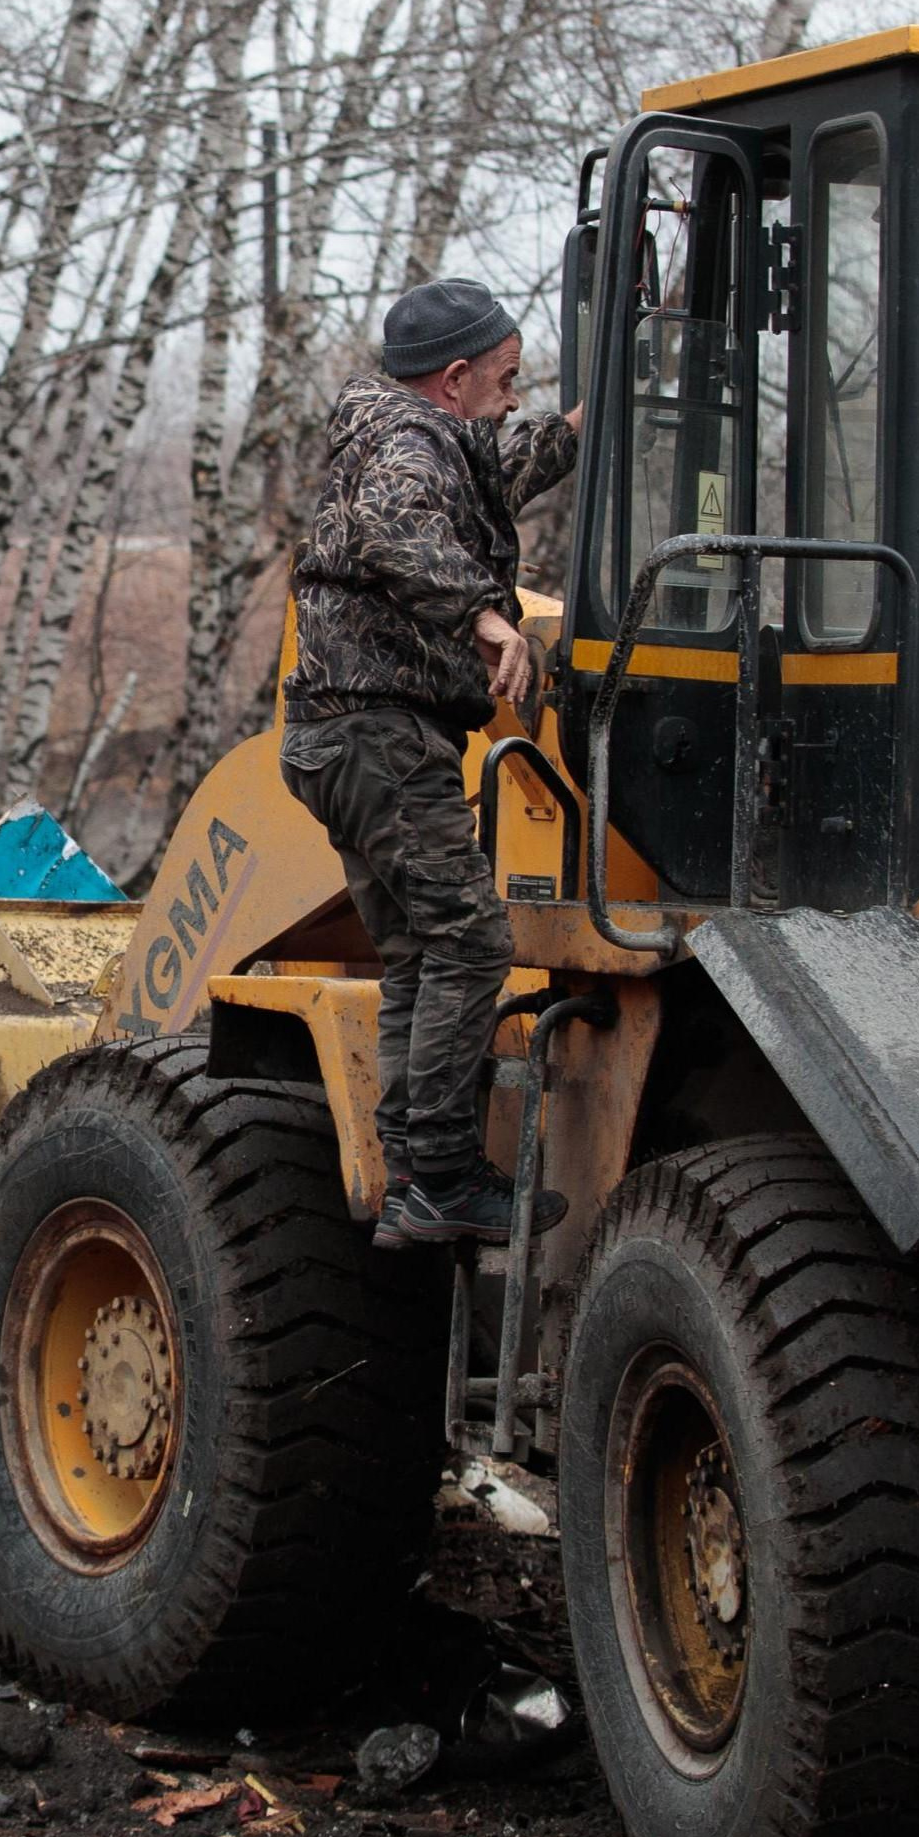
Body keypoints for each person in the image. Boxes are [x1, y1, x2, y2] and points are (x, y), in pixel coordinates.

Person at [279, 277, 586, 1248]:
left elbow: (516, 454)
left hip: (348, 739)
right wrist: (487, 615)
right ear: (452, 379)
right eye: (503, 379)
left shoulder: (431, 435)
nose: (513, 395)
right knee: (470, 942)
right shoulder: (405, 448)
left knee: (417, 953)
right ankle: (445, 1175)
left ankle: (416, 1174)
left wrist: (603, 397)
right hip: (379, 735)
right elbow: (396, 527)